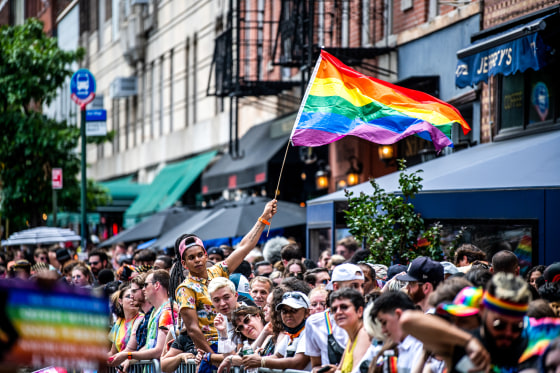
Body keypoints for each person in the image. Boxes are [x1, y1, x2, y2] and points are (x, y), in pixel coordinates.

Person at [174, 200, 277, 373]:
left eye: (200, 255)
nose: (197, 260)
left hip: (238, 340)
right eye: (191, 258)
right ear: (184, 264)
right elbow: (192, 329)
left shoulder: (218, 271)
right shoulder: (185, 289)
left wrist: (264, 218)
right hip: (213, 348)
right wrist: (213, 359)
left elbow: (244, 247)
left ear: (206, 255)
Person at [109, 270, 177, 370]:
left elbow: (159, 350)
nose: (143, 289)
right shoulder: (155, 311)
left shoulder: (168, 311)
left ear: (157, 285)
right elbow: (150, 345)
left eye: (145, 285)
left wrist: (128, 356)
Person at [306, 263, 365, 371]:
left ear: (360, 312)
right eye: (354, 286)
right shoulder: (314, 322)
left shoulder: (367, 326)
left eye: (362, 286)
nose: (360, 291)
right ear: (336, 287)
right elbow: (315, 365)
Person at [241, 291, 312, 371]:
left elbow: (298, 363)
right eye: (284, 311)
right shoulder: (291, 334)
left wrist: (262, 361)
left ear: (307, 312)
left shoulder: (309, 332)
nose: (288, 315)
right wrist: (255, 360)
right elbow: (278, 356)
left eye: (294, 310)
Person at [370, 291, 425, 373]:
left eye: (384, 322)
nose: (383, 330)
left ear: (398, 315)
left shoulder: (420, 346)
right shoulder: (399, 347)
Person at [324, 288, 371, 373]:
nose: (338, 312)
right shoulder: (352, 335)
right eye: (334, 309)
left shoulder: (364, 334)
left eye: (344, 307)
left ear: (360, 311)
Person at [108, 286, 144, 355]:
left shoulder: (142, 319)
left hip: (134, 363)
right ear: (120, 301)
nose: (132, 299)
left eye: (134, 297)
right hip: (120, 363)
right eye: (128, 296)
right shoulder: (119, 322)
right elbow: (113, 352)